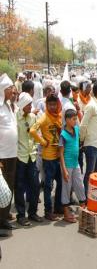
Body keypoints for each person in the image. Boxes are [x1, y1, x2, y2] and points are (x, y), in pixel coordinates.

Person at [30, 93, 63, 221]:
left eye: (54, 104)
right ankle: (48, 211)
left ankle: (58, 207)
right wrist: (43, 142)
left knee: (60, 182)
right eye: (50, 104)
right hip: (48, 158)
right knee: (48, 186)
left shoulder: (59, 116)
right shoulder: (44, 117)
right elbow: (33, 130)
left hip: (58, 156)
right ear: (46, 105)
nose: (53, 106)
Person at [15, 92, 43, 226]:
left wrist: (38, 146)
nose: (31, 106)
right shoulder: (16, 118)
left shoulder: (33, 117)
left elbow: (37, 133)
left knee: (35, 185)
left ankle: (32, 213)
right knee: (19, 187)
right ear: (22, 105)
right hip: (20, 156)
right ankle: (21, 216)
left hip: (32, 155)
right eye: (28, 104)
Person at [58, 109, 86, 223]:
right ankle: (66, 213)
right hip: (67, 166)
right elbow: (60, 154)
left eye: (76, 119)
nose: (76, 121)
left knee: (80, 185)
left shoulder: (76, 129)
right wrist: (64, 170)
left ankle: (83, 209)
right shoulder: (63, 134)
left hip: (76, 164)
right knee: (66, 188)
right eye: (74, 119)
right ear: (67, 120)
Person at [80, 81, 97, 194]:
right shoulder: (91, 105)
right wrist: (81, 140)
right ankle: (85, 196)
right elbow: (83, 125)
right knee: (90, 173)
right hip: (91, 144)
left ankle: (94, 196)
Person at [0, 74, 18, 231]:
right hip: (2, 155)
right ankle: (1, 222)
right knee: (2, 187)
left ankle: (4, 214)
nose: (12, 91)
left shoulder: (7, 106)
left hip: (12, 153)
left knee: (9, 185)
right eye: (9, 88)